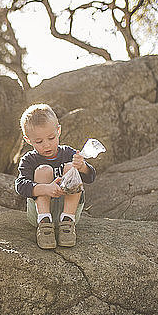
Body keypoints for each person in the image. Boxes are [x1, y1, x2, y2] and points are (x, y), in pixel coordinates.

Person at [14, 103, 96, 249]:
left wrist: (82, 166)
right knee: (43, 170)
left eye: (51, 138)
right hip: (40, 213)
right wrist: (44, 189)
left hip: (69, 211)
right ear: (28, 140)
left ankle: (67, 223)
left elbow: (90, 177)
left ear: (58, 131)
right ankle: (45, 225)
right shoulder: (29, 159)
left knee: (72, 167)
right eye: (39, 142)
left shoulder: (68, 153)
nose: (46, 145)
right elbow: (20, 186)